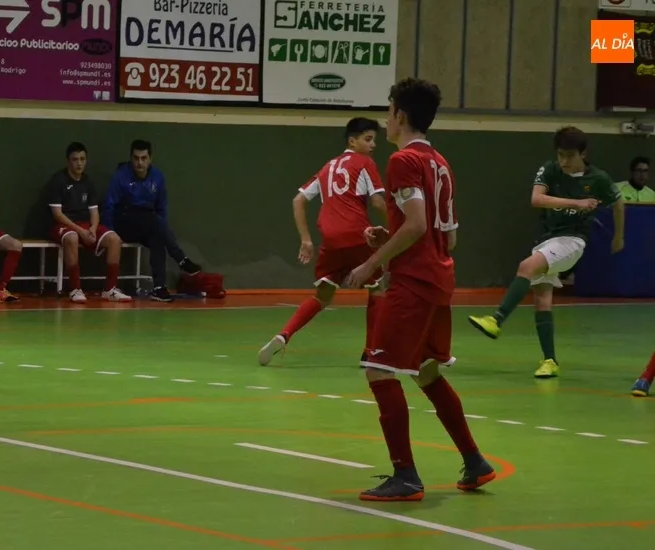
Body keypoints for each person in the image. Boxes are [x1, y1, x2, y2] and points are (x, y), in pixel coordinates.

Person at [345, 77, 493, 502]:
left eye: (388, 111)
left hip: (414, 283)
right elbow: (447, 236)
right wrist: (388, 238)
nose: (385, 120)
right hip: (439, 279)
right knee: (427, 371)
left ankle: (405, 475)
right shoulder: (440, 162)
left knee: (379, 369)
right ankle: (475, 461)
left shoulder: (402, 161)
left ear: (400, 115)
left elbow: (415, 225)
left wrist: (371, 263)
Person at [468, 126, 624, 379]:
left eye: (570, 156)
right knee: (542, 299)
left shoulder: (599, 179)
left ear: (583, 154)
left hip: (572, 241)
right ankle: (550, 360)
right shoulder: (550, 169)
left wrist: (619, 236)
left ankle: (496, 319)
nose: (564, 161)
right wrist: (576, 203)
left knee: (526, 267)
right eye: (560, 155)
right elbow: (537, 199)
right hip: (547, 239)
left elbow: (618, 203)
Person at [258, 117, 387, 365]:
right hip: (359, 235)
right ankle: (370, 352)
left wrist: (306, 240)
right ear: (352, 141)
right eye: (368, 139)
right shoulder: (365, 163)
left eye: (374, 140)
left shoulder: (327, 167)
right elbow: (378, 202)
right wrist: (401, 225)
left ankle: (284, 335)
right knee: (378, 289)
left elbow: (298, 200)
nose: (373, 145)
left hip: (330, 240)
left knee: (322, 296)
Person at [102, 140, 201, 302]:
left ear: (150, 159)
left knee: (158, 236)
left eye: (143, 158)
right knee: (153, 222)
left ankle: (159, 288)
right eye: (136, 158)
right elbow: (109, 206)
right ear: (131, 159)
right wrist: (110, 233)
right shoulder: (121, 176)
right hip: (124, 221)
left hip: (148, 223)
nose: (139, 163)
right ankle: (181, 259)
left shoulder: (158, 177)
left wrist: (163, 230)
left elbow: (161, 208)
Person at [47, 142, 132, 303]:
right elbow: (57, 214)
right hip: (63, 226)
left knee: (114, 239)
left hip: (85, 225)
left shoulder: (87, 182)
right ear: (68, 161)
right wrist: (81, 232)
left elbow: (94, 212)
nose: (79, 163)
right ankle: (75, 289)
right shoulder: (58, 181)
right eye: (75, 159)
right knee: (72, 237)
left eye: (82, 159)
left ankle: (110, 289)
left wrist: (92, 228)